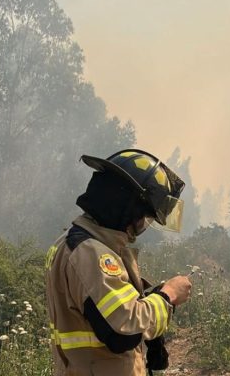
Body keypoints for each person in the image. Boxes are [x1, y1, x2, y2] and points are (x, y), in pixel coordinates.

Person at [45, 149, 192, 376]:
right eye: (145, 217)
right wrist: (168, 296)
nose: (142, 225)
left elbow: (106, 313)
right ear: (127, 207)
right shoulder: (91, 253)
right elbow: (123, 332)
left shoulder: (71, 242)